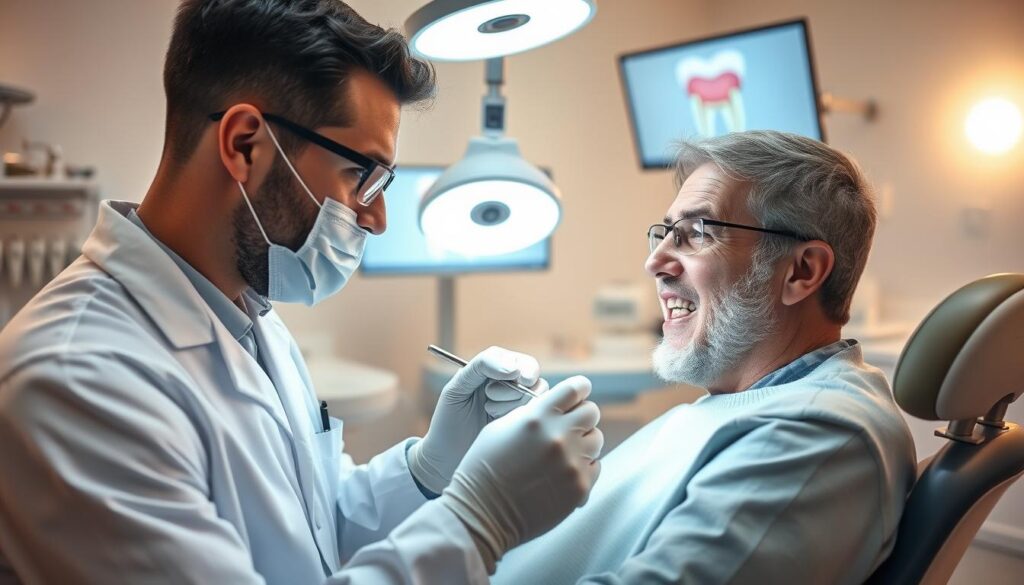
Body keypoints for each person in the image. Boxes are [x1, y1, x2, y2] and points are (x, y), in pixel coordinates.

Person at [0, 1, 603, 583]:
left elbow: (318, 528)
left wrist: (430, 466)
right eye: (361, 174)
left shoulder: (247, 313)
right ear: (245, 145)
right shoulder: (74, 379)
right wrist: (480, 521)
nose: (377, 220)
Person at [491, 130, 917, 585]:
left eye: (697, 233)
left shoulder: (817, 437)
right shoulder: (756, 402)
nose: (655, 262)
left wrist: (472, 521)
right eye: (666, 233)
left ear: (801, 271)